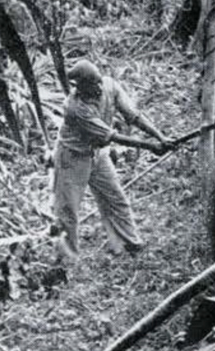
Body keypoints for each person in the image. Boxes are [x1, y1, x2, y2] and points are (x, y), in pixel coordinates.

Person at [51, 59, 170, 263]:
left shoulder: (109, 85)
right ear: (80, 87)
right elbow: (112, 136)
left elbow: (133, 116)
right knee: (67, 210)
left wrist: (160, 137)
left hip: (97, 153)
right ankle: (67, 260)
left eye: (98, 81)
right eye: (92, 84)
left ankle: (127, 243)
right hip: (72, 157)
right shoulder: (75, 108)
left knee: (115, 197)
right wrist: (151, 147)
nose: (98, 87)